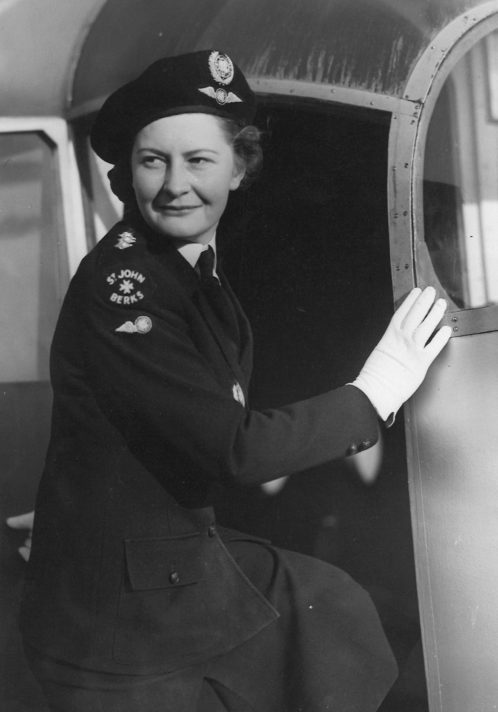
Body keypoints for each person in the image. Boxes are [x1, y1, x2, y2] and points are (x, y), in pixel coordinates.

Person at [19, 50, 451, 712]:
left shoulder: (192, 270)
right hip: (120, 620)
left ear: (240, 169)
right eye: (152, 160)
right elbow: (234, 450)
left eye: (199, 160)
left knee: (337, 613)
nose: (174, 184)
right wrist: (376, 391)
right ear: (125, 174)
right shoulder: (124, 287)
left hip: (166, 563)